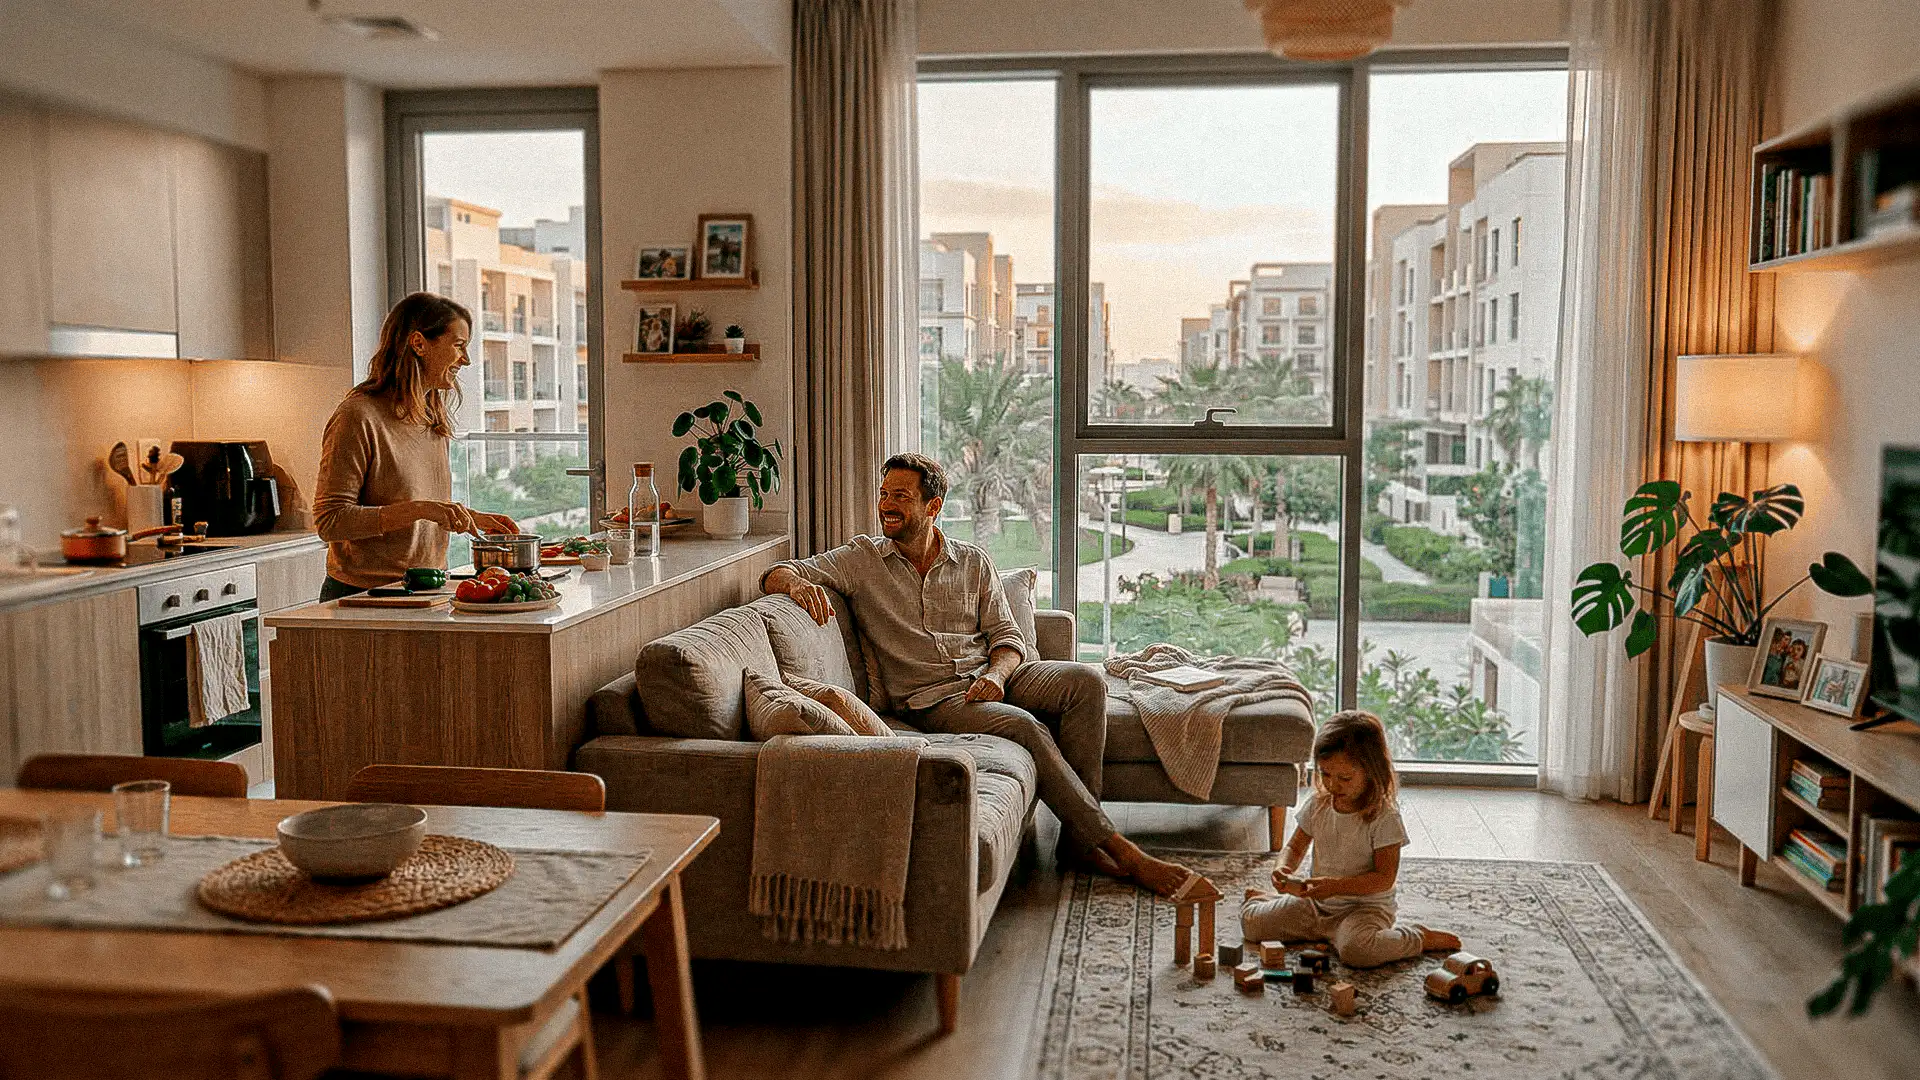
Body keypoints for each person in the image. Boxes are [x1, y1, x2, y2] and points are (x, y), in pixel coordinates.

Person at [761, 453, 1208, 899]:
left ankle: (1078, 842)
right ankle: (1121, 849)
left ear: (932, 507)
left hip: (995, 675)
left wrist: (997, 674)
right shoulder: (861, 559)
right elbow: (776, 572)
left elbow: (1007, 636)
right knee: (1023, 725)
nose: (885, 506)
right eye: (883, 495)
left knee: (1085, 683)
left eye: (900, 496)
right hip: (933, 700)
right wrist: (798, 586)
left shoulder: (971, 561)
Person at [312, 293, 517, 601]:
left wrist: (468, 516)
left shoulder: (431, 417)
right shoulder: (357, 416)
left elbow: (412, 505)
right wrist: (423, 509)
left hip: (426, 590)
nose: (466, 360)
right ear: (419, 344)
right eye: (459, 345)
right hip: (365, 597)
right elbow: (331, 522)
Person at [1240, 710, 1462, 968]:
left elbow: (1384, 878)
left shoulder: (1384, 817)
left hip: (1363, 910)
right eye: (1325, 774)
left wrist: (1335, 886)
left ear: (1371, 771)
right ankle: (1269, 900)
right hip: (1317, 904)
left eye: (1345, 778)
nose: (1333, 785)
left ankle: (1419, 937)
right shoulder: (1319, 805)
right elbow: (1295, 846)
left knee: (1358, 952)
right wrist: (1283, 868)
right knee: (1252, 926)